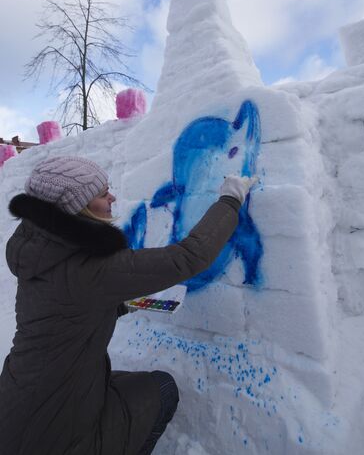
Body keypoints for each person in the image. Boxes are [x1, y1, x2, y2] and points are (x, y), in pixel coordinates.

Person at [0, 155, 258, 455]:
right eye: (101, 194)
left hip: (15, 409)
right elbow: (188, 257)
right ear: (77, 208)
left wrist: (126, 304)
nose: (112, 196)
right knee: (163, 389)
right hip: (59, 438)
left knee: (115, 384)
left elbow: (69, 311)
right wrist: (230, 200)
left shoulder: (42, 253)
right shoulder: (88, 266)